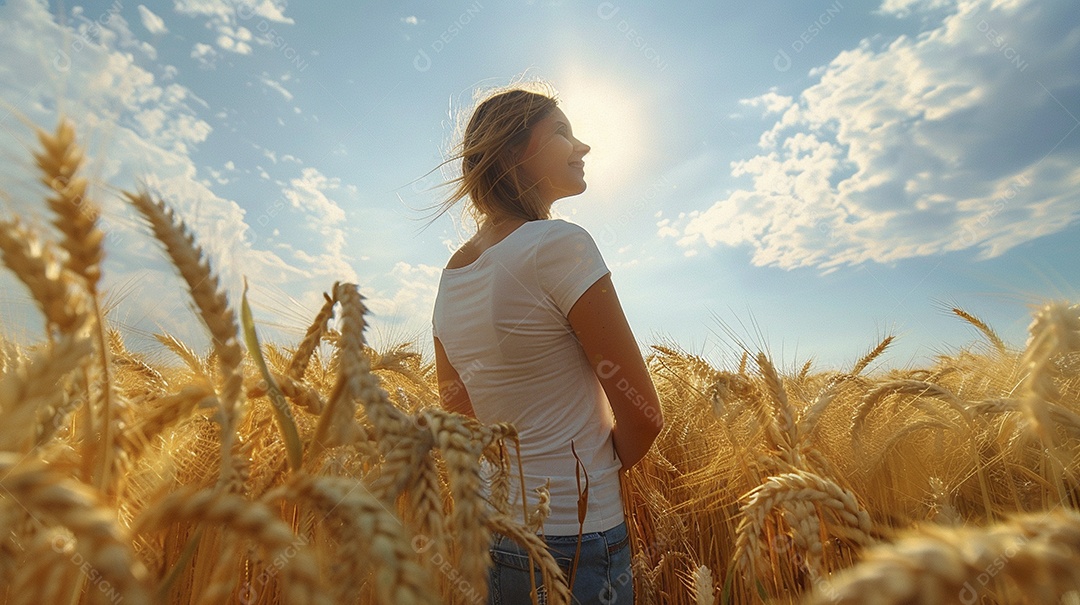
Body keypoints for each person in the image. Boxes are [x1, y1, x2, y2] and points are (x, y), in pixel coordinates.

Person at [428, 83, 664, 605]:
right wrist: (588, 481)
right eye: (561, 131)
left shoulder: (451, 277)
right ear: (514, 151)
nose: (583, 146)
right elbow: (644, 414)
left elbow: (461, 418)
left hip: (498, 536)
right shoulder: (560, 245)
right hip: (579, 542)